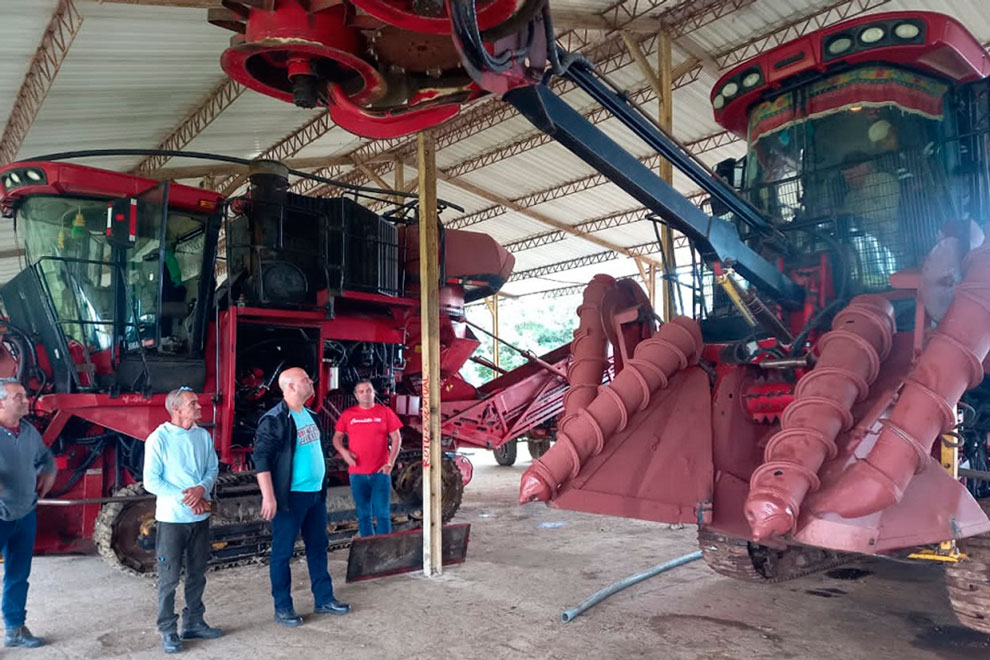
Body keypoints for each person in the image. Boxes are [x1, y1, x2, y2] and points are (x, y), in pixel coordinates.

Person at [253, 367, 350, 627]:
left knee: (318, 547)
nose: (311, 382)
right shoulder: (275, 419)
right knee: (282, 553)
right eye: (306, 379)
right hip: (291, 497)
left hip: (315, 494)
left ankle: (324, 598)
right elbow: (260, 459)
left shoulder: (311, 415)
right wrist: (269, 496)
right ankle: (283, 607)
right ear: (291, 387)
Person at [143, 387, 221, 654]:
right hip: (172, 519)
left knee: (197, 573)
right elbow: (151, 481)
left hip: (200, 516)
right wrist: (186, 497)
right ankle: (167, 629)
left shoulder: (202, 436)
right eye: (193, 404)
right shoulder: (158, 439)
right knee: (169, 577)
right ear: (176, 410)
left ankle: (194, 621)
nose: (199, 407)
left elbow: (213, 468)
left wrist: (202, 488)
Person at [0, 379, 55, 649]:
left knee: (18, 573)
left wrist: (48, 471)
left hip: (25, 513)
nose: (25, 400)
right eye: (18, 397)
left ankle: (15, 629)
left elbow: (44, 456)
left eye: (24, 395)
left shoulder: (29, 431)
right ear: (1, 403)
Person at [332, 380, 402, 537]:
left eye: (369, 390)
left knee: (382, 513)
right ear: (356, 395)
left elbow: (396, 438)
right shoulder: (348, 415)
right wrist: (344, 452)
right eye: (361, 391)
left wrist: (390, 462)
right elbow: (337, 438)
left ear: (374, 392)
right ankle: (368, 546)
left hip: (380, 472)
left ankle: (384, 547)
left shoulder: (385, 412)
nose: (366, 394)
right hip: (357, 473)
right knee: (363, 514)